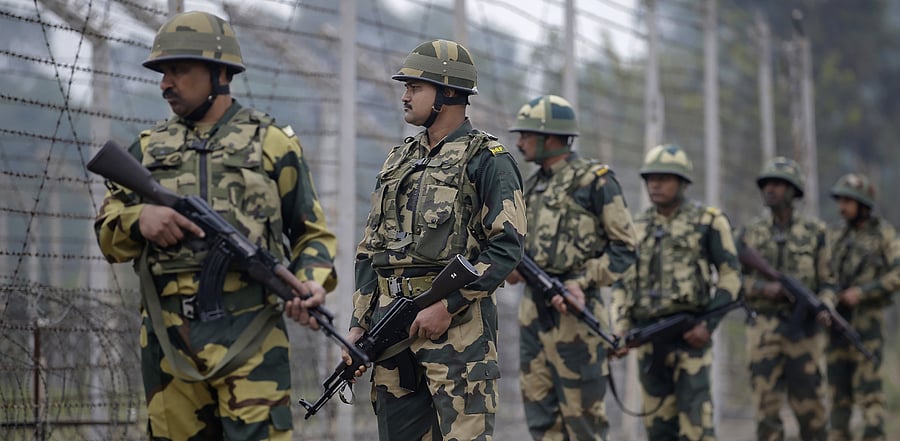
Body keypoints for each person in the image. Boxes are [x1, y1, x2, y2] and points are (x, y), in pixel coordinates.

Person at [93, 11, 337, 440]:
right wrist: (139, 219)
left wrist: (310, 282)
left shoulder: (272, 143)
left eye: (179, 70)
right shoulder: (147, 150)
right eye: (163, 72)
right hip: (170, 350)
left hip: (252, 340)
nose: (166, 83)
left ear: (220, 73)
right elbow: (108, 234)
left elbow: (310, 234)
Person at [348, 39, 526, 441]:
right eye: (405, 87)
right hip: (392, 329)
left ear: (448, 93)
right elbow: (370, 250)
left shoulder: (488, 158)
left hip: (458, 335)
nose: (405, 96)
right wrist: (359, 323)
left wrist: (449, 304)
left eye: (415, 87)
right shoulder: (398, 160)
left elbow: (507, 246)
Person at [503, 94, 637, 440]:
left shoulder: (595, 182)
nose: (519, 143)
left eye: (527, 134)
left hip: (577, 315)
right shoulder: (529, 187)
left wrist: (582, 282)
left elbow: (625, 248)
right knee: (541, 421)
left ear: (551, 138)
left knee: (583, 423)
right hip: (534, 315)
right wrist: (511, 269)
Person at [612, 144, 741, 440]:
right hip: (647, 340)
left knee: (697, 428)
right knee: (658, 428)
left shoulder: (708, 221)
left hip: (689, 340)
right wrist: (621, 329)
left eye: (664, 178)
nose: (655, 184)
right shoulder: (636, 227)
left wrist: (708, 324)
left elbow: (731, 276)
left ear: (683, 182)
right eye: (650, 178)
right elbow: (621, 282)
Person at [738, 156, 836, 441]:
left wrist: (826, 306)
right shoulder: (750, 234)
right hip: (764, 332)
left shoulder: (816, 233)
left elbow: (829, 282)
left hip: (805, 333)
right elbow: (732, 282)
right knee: (766, 414)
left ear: (793, 191)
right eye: (767, 184)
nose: (770, 189)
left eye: (778, 184)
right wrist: (762, 289)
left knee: (813, 414)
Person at [826, 173, 899, 441]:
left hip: (866, 327)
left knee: (870, 395)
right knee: (837, 396)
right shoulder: (834, 235)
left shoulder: (883, 235)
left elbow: (897, 274)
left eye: (848, 201)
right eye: (840, 200)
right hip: (835, 326)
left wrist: (863, 293)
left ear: (863, 204)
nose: (842, 207)